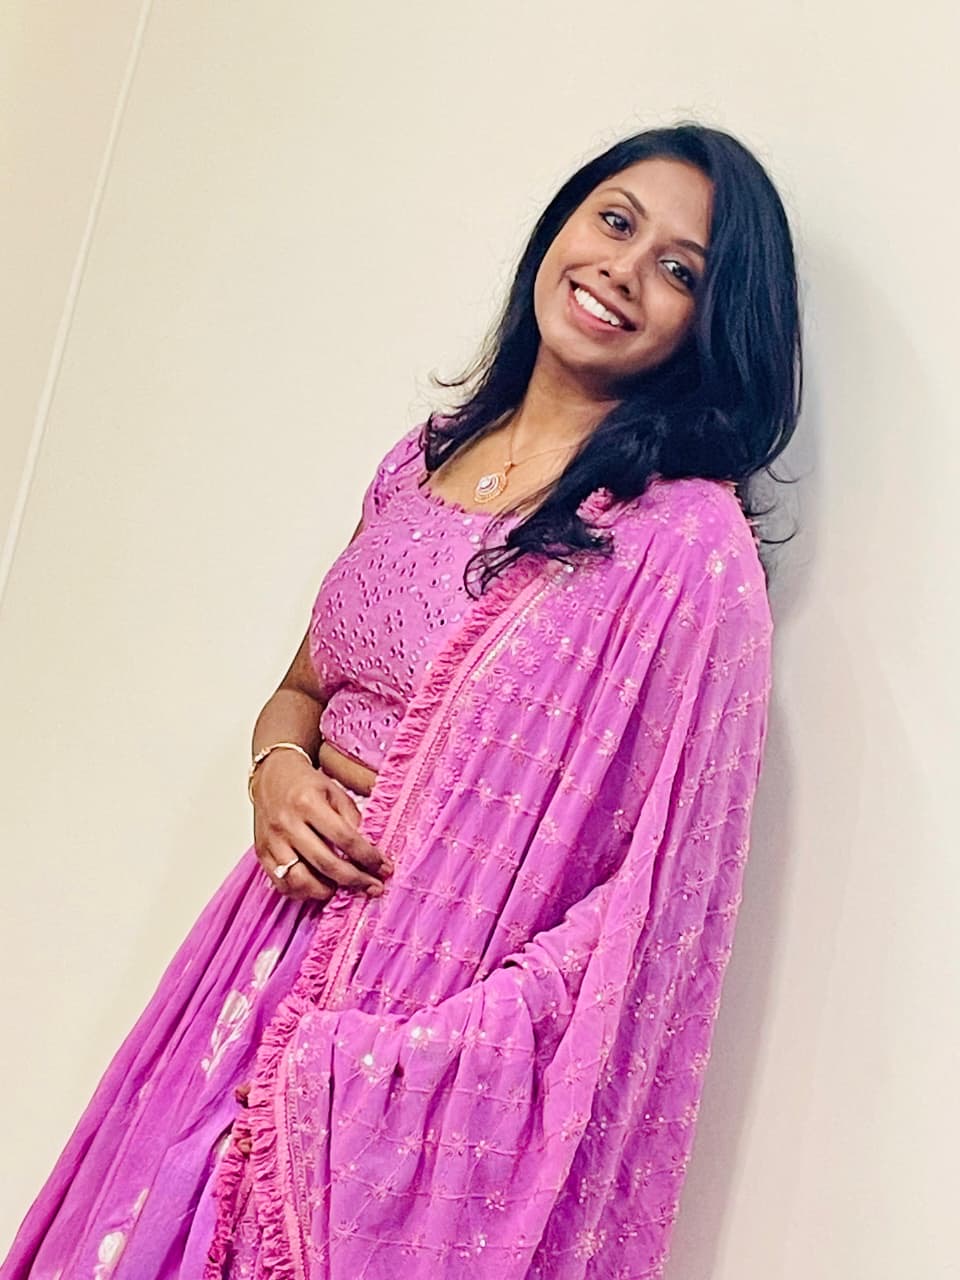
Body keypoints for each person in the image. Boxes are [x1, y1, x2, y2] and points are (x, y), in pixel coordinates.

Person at [2, 121, 801, 1279]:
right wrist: (276, 771)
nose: (624, 269)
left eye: (679, 267)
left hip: (412, 1033)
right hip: (252, 958)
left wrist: (430, 1049)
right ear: (564, 225)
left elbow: (659, 897)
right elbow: (302, 688)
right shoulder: (420, 461)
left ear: (713, 322)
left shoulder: (685, 548)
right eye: (614, 220)